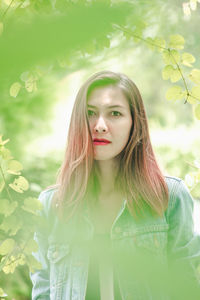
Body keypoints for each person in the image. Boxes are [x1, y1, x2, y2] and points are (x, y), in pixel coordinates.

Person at [30, 70, 200, 300]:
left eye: (115, 113)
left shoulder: (169, 198)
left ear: (134, 124)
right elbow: (42, 292)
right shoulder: (51, 206)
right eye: (90, 113)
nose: (99, 125)